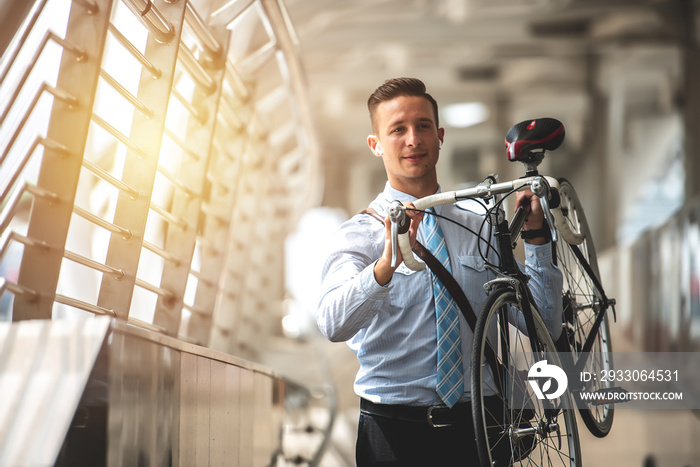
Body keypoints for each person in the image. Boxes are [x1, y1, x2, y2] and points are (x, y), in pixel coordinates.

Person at [317, 77, 563, 466]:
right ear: (375, 144)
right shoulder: (359, 235)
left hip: (479, 426)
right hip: (392, 430)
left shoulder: (477, 226)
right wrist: (384, 267)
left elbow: (545, 322)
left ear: (440, 136)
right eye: (397, 129)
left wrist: (536, 243)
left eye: (423, 126)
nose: (412, 139)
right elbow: (332, 322)